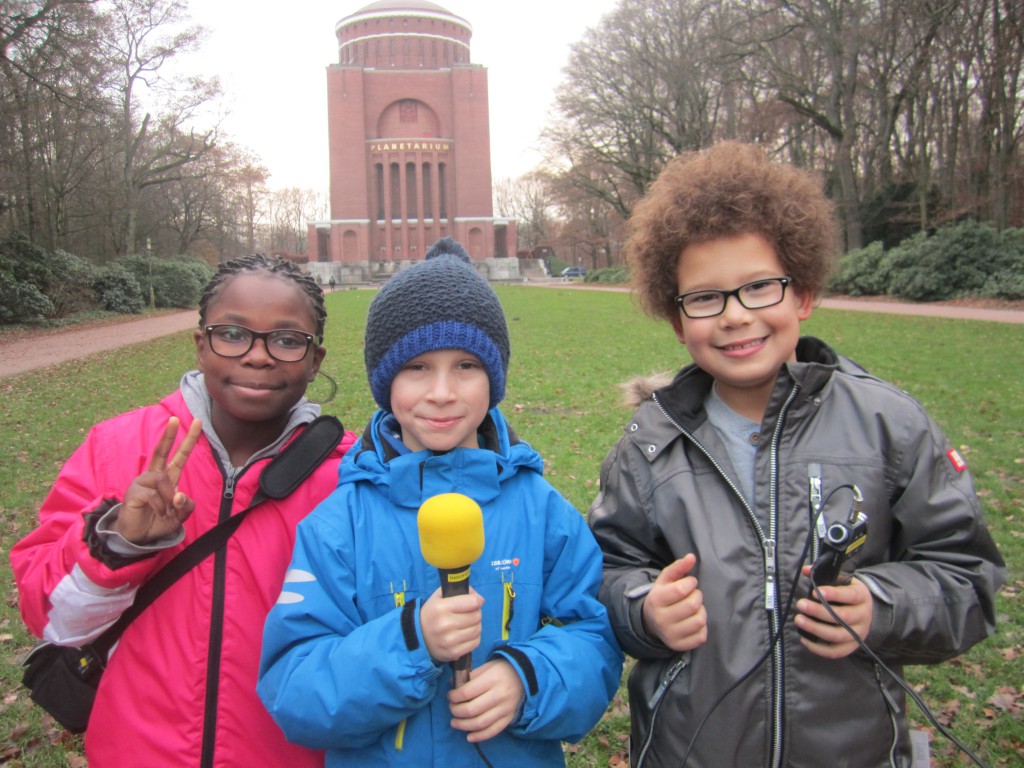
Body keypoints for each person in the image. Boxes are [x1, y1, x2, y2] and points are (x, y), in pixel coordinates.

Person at [587, 142, 1005, 768]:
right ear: (677, 321)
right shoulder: (650, 446)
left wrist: (883, 607)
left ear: (802, 294)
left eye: (759, 287)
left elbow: (968, 580)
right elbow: (601, 576)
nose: (734, 316)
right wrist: (643, 609)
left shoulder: (889, 426)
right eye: (705, 298)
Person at [258, 237, 623, 767]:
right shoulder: (340, 525)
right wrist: (411, 640)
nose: (443, 392)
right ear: (386, 382)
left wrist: (528, 678)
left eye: (467, 366)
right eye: (418, 368)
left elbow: (593, 636)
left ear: (494, 377)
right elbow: (295, 690)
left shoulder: (540, 509)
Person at [11, 254, 358, 767]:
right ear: (201, 346)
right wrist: (117, 546)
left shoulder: (349, 476)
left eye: (286, 340)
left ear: (315, 359)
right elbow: (51, 620)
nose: (258, 357)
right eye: (232, 334)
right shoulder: (116, 447)